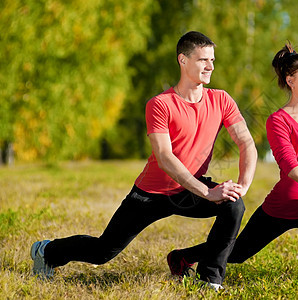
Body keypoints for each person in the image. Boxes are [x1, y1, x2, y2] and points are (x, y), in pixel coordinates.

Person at [30, 31, 258, 291]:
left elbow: (246, 143)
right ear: (183, 61)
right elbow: (164, 157)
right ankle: (46, 251)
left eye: (213, 60)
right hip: (152, 193)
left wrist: (242, 186)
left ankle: (209, 280)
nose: (210, 66)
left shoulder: (221, 100)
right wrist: (207, 191)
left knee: (233, 206)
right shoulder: (161, 104)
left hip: (190, 189)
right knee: (103, 251)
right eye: (203, 60)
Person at [171, 42, 298, 288]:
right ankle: (183, 257)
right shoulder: (278, 121)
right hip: (283, 209)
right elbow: (292, 168)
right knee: (238, 253)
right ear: (290, 80)